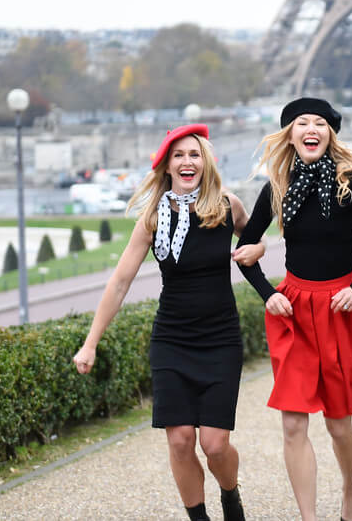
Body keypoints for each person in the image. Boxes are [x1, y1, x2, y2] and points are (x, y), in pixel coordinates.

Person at [73, 124, 265, 521]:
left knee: (214, 445)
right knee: (179, 441)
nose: (187, 161)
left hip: (220, 337)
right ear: (166, 165)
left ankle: (230, 495)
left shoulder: (229, 206)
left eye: (194, 154)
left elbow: (256, 244)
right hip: (172, 338)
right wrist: (90, 342)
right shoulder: (152, 218)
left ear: (206, 161)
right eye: (178, 155)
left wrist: (258, 247)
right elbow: (120, 281)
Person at [235, 97, 352, 521]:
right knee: (293, 424)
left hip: (341, 309)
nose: (311, 129)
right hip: (292, 311)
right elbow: (244, 250)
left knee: (339, 425)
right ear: (289, 135)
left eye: (320, 124)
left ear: (330, 134)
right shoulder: (277, 188)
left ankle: (350, 488)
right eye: (301, 123)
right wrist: (266, 292)